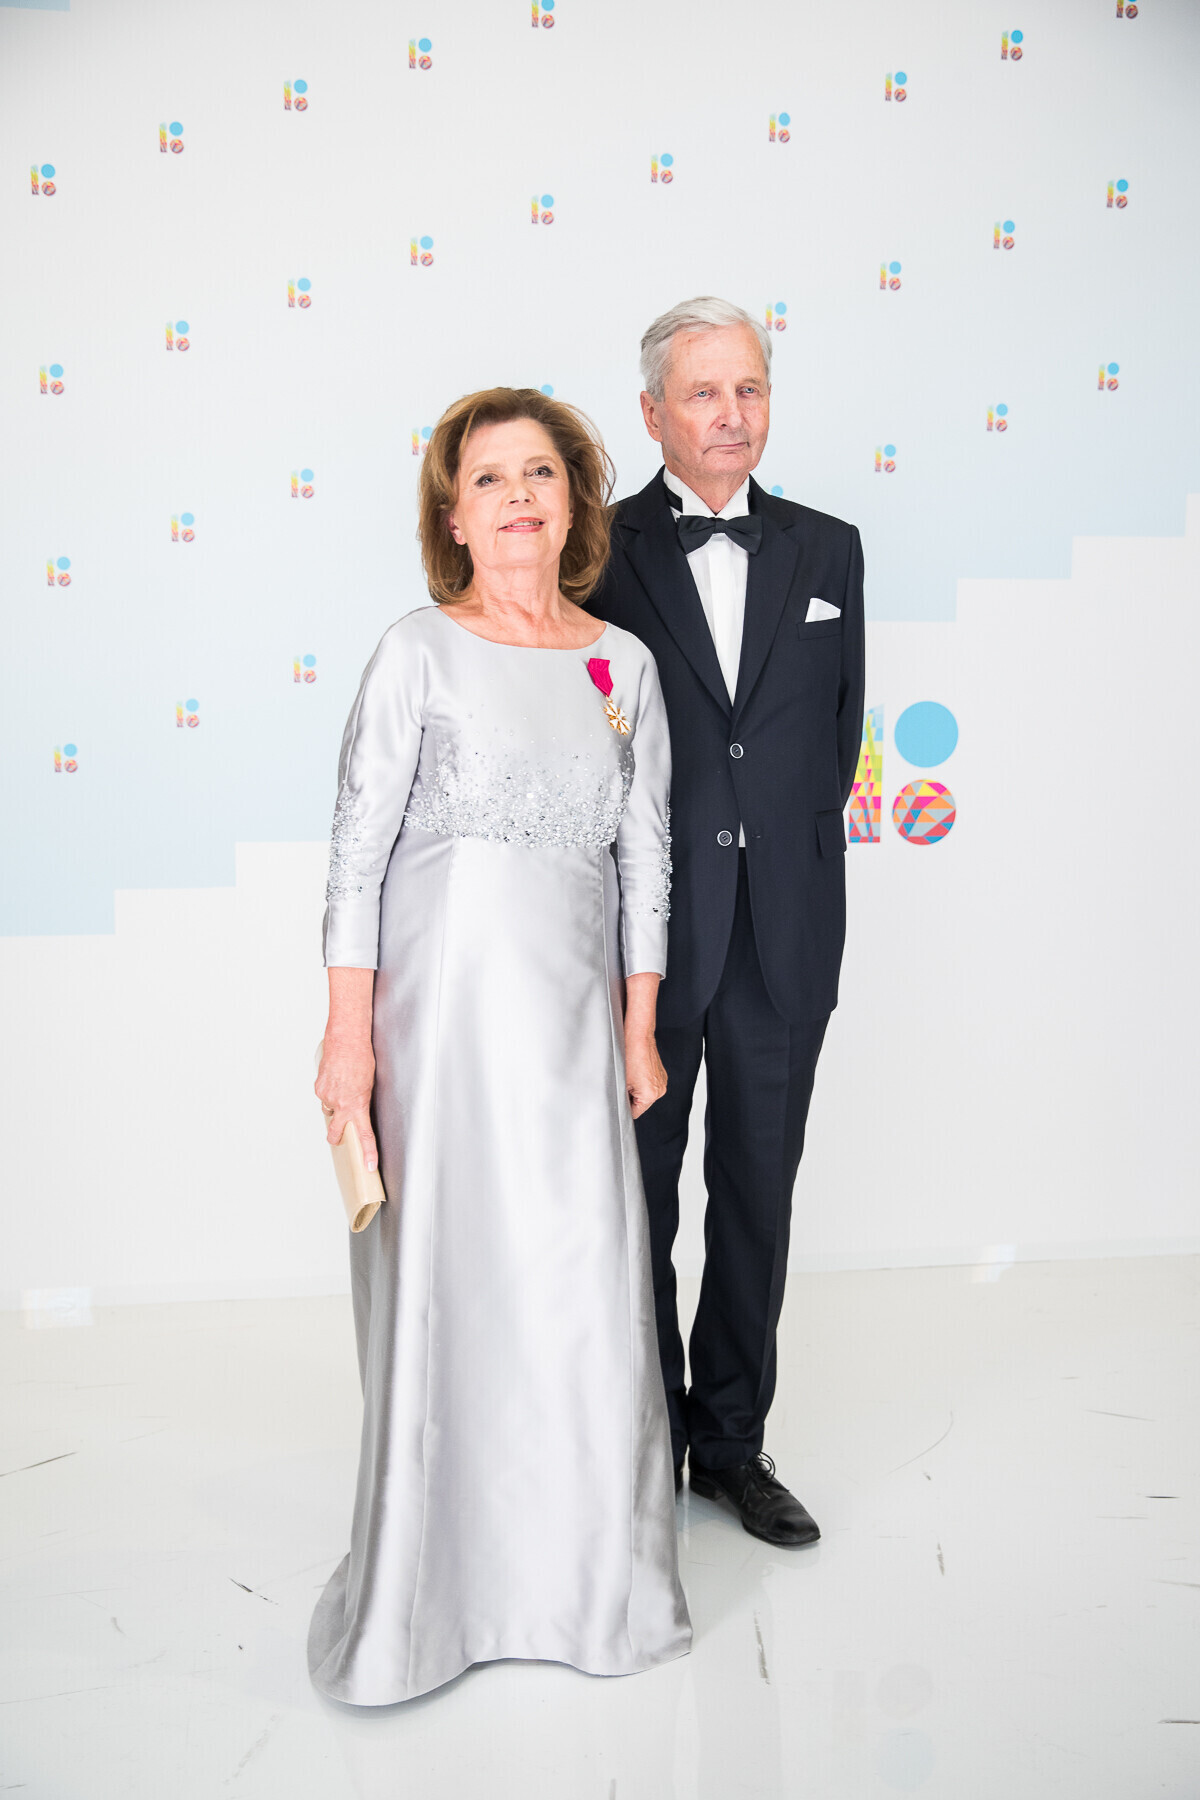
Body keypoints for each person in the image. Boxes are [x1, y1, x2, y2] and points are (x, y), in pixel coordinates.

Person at [306, 387, 690, 1706]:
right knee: (452, 1288)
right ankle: (426, 1605)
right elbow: (355, 858)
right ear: (454, 517)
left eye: (540, 473)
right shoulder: (415, 651)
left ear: (574, 501)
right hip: (439, 1032)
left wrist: (639, 1025)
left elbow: (646, 855)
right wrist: (347, 1037)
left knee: (578, 1287)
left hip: (574, 1026)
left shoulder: (622, 667)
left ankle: (586, 1589)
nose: (518, 496)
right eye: (489, 479)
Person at [589, 297, 866, 1548]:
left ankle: (733, 1444)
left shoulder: (829, 549)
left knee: (759, 1193)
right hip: (646, 942)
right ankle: (643, 1438)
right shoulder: (597, 548)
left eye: (748, 388)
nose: (730, 413)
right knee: (636, 1200)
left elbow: (828, 743)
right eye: (703, 392)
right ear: (653, 412)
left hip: (785, 935)